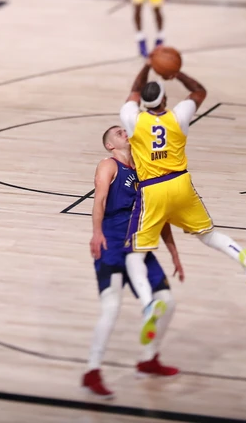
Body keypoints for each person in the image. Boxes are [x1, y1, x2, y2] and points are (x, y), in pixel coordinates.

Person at [119, 64, 246, 344]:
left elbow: (134, 91)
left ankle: (149, 303)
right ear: (164, 99)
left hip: (153, 190)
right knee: (208, 235)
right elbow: (199, 91)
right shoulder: (178, 115)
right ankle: (244, 258)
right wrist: (178, 74)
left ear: (144, 102)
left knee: (134, 255)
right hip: (181, 184)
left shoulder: (132, 118)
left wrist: (148, 65)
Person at [82, 125, 183, 399]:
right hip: (112, 242)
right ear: (110, 145)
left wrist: (173, 251)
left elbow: (158, 213)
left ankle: (148, 359)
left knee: (167, 302)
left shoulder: (144, 168)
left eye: (124, 130)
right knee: (112, 306)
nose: (124, 133)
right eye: (117, 133)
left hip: (139, 245)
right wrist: (96, 233)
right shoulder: (108, 165)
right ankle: (92, 371)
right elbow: (100, 200)